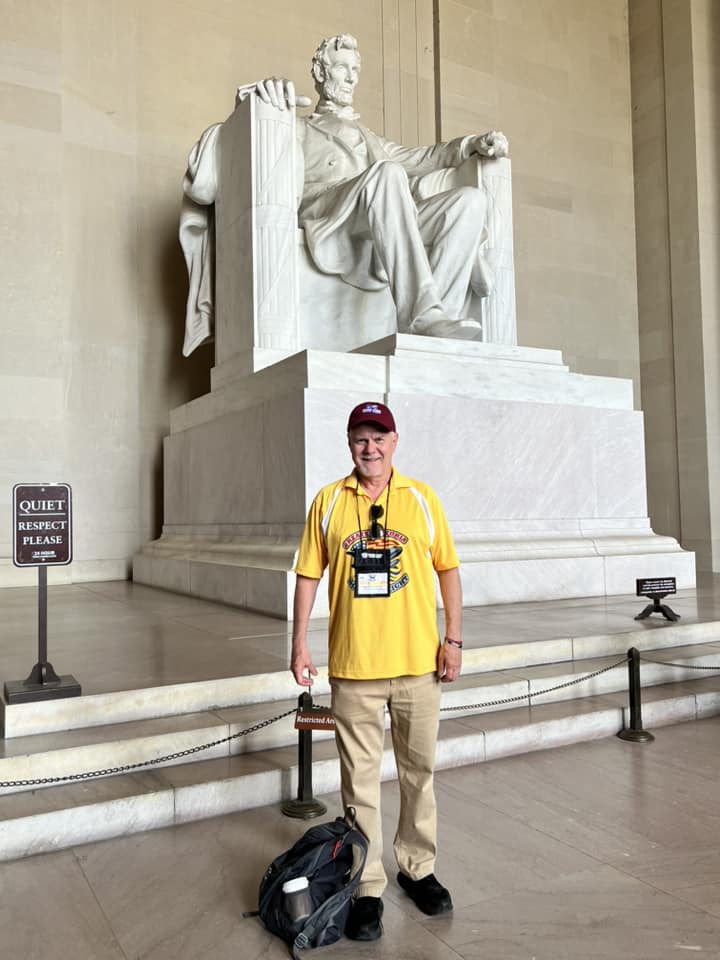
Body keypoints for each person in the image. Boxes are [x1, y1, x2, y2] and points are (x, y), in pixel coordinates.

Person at [291, 400, 464, 941]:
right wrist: (298, 643)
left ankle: (417, 868)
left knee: (419, 773)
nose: (371, 448)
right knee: (359, 783)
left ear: (395, 442)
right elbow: (307, 575)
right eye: (361, 438)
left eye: (379, 437)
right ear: (349, 444)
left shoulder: (421, 498)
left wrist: (454, 639)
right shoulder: (328, 502)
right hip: (355, 669)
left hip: (418, 666)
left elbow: (448, 569)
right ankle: (366, 886)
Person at [253, 34, 509, 342]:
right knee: (388, 173)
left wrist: (471, 145)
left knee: (470, 202)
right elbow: (250, 128)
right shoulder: (298, 126)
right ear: (321, 72)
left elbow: (422, 158)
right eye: (342, 68)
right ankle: (421, 314)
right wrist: (266, 96)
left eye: (355, 70)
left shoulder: (371, 138)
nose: (351, 78)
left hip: (378, 208)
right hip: (329, 209)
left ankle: (436, 327)